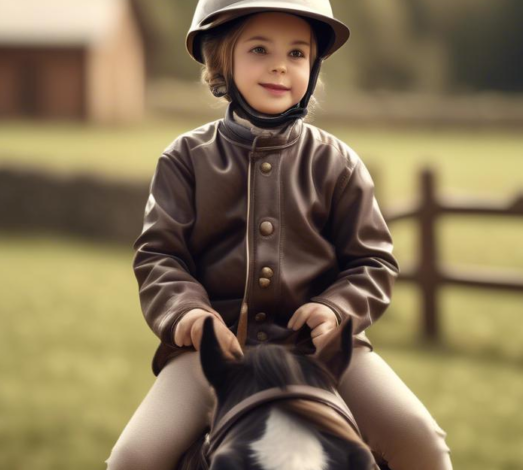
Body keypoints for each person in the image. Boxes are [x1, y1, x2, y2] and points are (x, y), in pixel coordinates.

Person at [105, 1, 453, 469]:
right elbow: (159, 257)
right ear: (221, 60)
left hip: (320, 353)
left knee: (421, 440)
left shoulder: (339, 163)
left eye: (296, 54)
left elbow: (373, 263)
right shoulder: (184, 159)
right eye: (259, 49)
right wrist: (189, 315)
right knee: (133, 457)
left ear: (314, 66)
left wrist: (335, 309)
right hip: (212, 355)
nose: (279, 65)